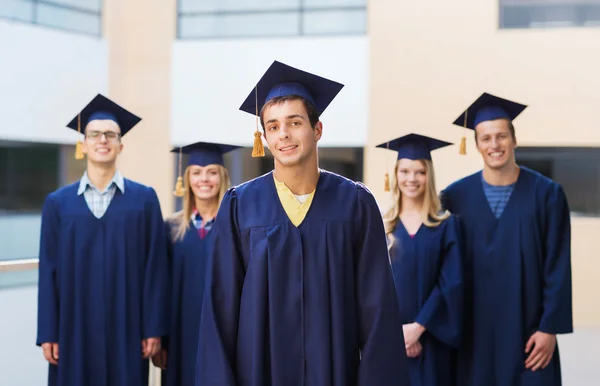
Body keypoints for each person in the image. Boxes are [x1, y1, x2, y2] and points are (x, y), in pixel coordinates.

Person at [196, 60, 409, 386]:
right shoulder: (240, 205)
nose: (284, 135)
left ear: (317, 129)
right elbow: (220, 309)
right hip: (259, 373)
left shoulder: (354, 203)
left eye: (294, 123)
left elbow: (378, 309)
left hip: (335, 372)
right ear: (264, 136)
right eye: (273, 126)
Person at [36, 94, 169, 386]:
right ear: (83, 144)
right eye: (94, 134)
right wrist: (48, 331)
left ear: (121, 144)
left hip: (129, 325)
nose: (102, 140)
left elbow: (154, 267)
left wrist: (153, 327)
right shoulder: (58, 204)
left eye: (111, 134)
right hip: (73, 326)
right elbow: (49, 270)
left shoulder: (144, 199)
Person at [441, 93, 573, 386]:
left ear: (514, 140)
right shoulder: (454, 198)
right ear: (476, 145)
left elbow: (558, 264)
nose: (494, 145)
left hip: (530, 334)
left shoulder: (547, 195)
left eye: (501, 136)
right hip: (473, 334)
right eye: (486, 138)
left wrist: (549, 328)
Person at [152, 141, 241, 386]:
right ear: (187, 179)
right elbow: (162, 287)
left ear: (222, 177)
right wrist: (162, 338)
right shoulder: (171, 229)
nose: (204, 179)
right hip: (181, 333)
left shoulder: (236, 228)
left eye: (212, 172)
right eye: (197, 173)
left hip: (224, 332)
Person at [378, 133, 463, 386]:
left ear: (429, 176)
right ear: (395, 175)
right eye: (404, 171)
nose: (411, 179)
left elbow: (451, 282)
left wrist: (418, 328)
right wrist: (398, 332)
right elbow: (373, 286)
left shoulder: (445, 224)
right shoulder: (382, 226)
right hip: (390, 339)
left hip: (433, 340)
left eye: (419, 172)